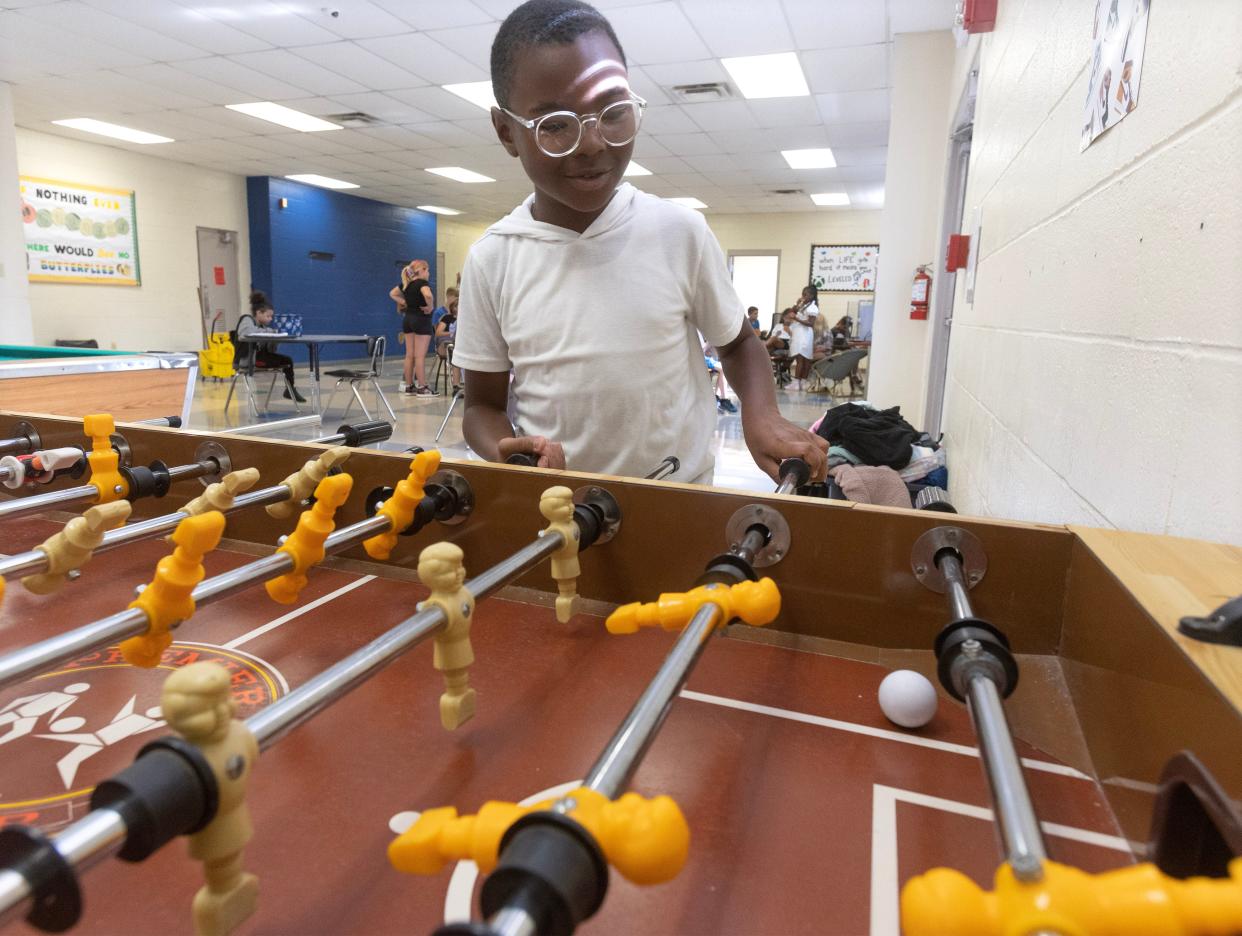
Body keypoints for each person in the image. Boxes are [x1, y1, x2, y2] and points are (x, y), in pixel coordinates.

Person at [452, 0, 826, 483]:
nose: (590, 144)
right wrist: (509, 453)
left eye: (612, 112)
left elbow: (737, 344)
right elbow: (481, 405)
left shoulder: (679, 232)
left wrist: (761, 415)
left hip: (678, 502)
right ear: (506, 131)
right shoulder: (493, 259)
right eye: (556, 125)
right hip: (558, 510)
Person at [237, 291, 305, 403]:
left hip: (261, 356)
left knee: (288, 361)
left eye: (271, 316)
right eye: (268, 316)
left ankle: (290, 389)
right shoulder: (247, 319)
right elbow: (244, 333)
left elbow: (270, 350)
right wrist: (269, 332)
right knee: (284, 362)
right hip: (250, 360)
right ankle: (290, 389)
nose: (271, 319)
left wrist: (275, 340)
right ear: (258, 313)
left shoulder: (262, 326)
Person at [389, 260, 436, 396]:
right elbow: (428, 295)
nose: (428, 274)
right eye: (427, 271)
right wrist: (430, 306)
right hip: (421, 320)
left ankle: (409, 386)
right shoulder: (422, 283)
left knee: (409, 355)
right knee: (420, 356)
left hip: (408, 320)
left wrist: (404, 302)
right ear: (421, 270)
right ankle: (422, 387)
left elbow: (392, 293)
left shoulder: (406, 285)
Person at [787, 285, 819, 390]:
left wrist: (796, 318)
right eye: (802, 294)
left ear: (812, 296)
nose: (803, 297)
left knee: (803, 358)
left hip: (805, 334)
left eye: (806, 295)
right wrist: (796, 303)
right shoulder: (803, 305)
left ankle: (799, 381)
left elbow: (810, 323)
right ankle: (800, 382)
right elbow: (791, 312)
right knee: (800, 357)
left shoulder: (812, 307)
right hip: (799, 333)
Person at [435, 295, 462, 395]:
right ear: (453, 307)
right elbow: (438, 333)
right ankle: (456, 385)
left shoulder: (465, 319)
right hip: (445, 345)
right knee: (455, 352)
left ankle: (462, 384)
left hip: (458, 346)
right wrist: (451, 333)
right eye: (456, 306)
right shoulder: (447, 318)